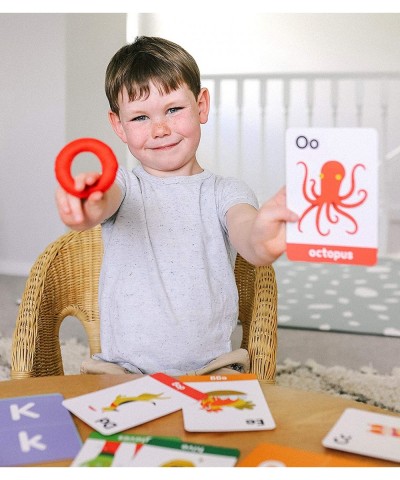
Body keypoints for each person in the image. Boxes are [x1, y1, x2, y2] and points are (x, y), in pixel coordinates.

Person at [55, 36, 298, 377]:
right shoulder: (124, 185)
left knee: (234, 421)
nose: (160, 129)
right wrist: (83, 203)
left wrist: (264, 238)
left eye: (173, 109)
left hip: (210, 368)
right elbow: (100, 201)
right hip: (121, 369)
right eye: (140, 117)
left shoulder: (226, 191)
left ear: (201, 106)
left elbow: (249, 233)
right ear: (118, 126)